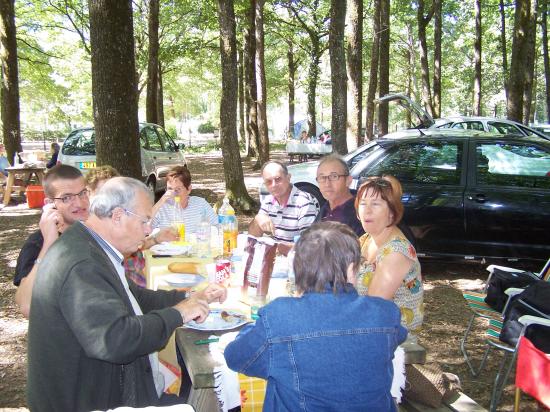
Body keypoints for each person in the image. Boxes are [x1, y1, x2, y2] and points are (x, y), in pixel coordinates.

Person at [27, 177, 227, 411]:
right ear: (118, 216)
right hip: (86, 401)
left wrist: (190, 298)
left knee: (201, 394)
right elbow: (116, 340)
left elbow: (134, 297)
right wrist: (179, 314)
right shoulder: (83, 263)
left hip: (105, 387)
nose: (148, 230)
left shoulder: (91, 246)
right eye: (145, 221)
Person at [225, 221, 407, 411]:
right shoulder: (385, 313)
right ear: (351, 269)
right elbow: (398, 336)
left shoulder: (279, 317)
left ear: (298, 269)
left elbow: (235, 357)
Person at [14, 164, 90, 317]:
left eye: (82, 193)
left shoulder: (96, 232)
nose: (80, 203)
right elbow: (27, 307)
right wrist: (50, 242)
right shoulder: (38, 243)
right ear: (50, 204)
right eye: (67, 198)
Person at [354, 175, 424, 335]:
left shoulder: (395, 253)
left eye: (375, 204)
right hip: (369, 330)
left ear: (392, 212)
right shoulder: (365, 240)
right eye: (363, 204)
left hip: (392, 339)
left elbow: (371, 309)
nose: (367, 210)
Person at [248, 161, 319, 253]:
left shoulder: (303, 202)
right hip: (277, 257)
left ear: (288, 178)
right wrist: (257, 219)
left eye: (278, 179)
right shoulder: (269, 200)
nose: (273, 185)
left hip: (297, 258)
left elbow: (310, 244)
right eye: (268, 181)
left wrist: (277, 248)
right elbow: (252, 238)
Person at [151, 165, 217, 234]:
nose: (172, 193)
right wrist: (161, 201)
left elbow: (217, 225)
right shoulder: (162, 207)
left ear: (189, 189)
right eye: (170, 189)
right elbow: (146, 228)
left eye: (178, 189)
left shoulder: (200, 204)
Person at [315, 154, 364, 236]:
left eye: (334, 176)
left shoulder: (360, 214)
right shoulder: (325, 210)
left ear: (348, 180)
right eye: (322, 177)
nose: (327, 184)